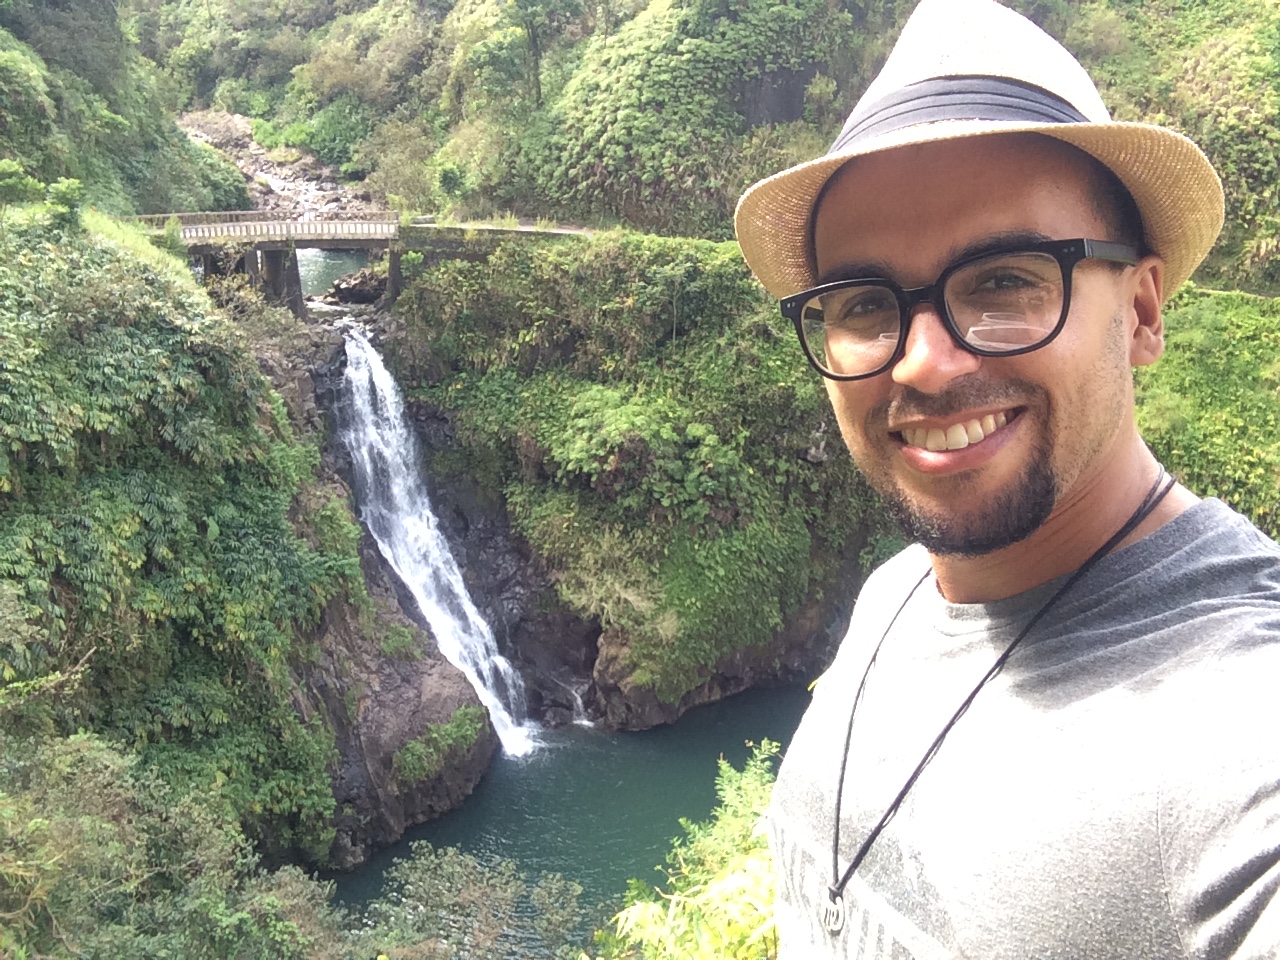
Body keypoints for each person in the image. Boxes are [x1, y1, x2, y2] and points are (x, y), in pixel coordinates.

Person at [733, 0, 1280, 956]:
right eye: (865, 303)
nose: (924, 365)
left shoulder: (1239, 727)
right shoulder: (897, 590)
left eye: (1003, 279)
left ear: (1143, 310)